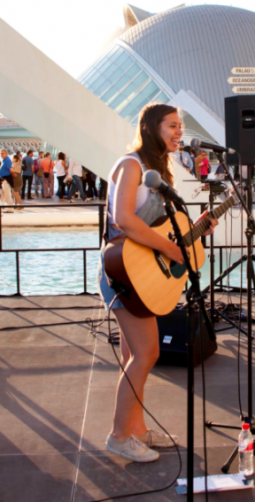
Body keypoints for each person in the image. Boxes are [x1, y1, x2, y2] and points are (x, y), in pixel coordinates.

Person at [97, 103, 217, 463]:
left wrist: (195, 232)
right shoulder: (130, 165)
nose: (179, 131)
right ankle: (119, 436)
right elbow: (123, 220)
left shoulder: (159, 172)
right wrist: (171, 248)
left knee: (136, 355)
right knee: (148, 353)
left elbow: (160, 231)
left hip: (140, 273)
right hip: (122, 274)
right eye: (172, 125)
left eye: (180, 126)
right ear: (151, 127)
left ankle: (136, 431)